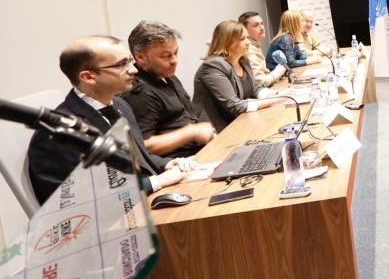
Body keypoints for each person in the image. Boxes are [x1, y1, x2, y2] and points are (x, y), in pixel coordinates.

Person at [28, 35, 195, 204]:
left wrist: (166, 164)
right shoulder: (57, 133)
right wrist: (157, 181)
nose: (134, 69)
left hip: (144, 202)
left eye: (130, 61)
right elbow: (77, 202)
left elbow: (139, 156)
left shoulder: (120, 104)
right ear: (88, 77)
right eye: (122, 64)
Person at [122, 20, 215, 157]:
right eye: (165, 56)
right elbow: (142, 147)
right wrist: (191, 133)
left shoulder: (168, 75)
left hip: (203, 150)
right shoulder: (139, 92)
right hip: (180, 164)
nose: (174, 60)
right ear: (141, 57)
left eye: (175, 53)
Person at [192, 21, 286, 132]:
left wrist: (276, 94)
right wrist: (275, 100)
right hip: (216, 130)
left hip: (240, 121)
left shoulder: (243, 60)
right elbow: (235, 106)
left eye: (247, 37)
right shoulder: (213, 66)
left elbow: (255, 89)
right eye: (242, 39)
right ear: (226, 42)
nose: (248, 42)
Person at [238, 11, 287, 87]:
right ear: (244, 30)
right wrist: (281, 69)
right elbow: (260, 82)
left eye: (262, 23)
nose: (261, 28)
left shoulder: (256, 45)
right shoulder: (249, 50)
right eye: (256, 25)